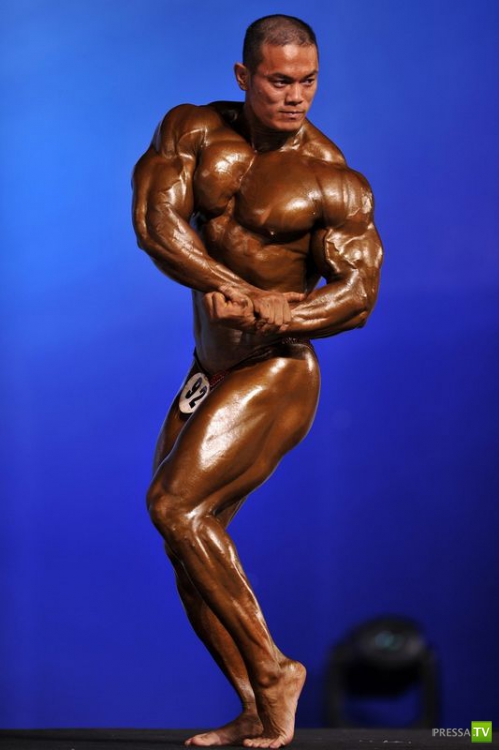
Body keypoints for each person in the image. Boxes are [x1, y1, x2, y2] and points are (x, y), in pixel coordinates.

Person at [132, 14, 383, 749]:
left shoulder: (332, 177)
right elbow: (155, 224)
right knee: (186, 545)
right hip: (209, 367)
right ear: (244, 77)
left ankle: (276, 671)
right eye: (278, 81)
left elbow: (358, 295)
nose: (294, 96)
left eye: (307, 81)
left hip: (277, 369)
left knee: (175, 507)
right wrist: (232, 287)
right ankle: (253, 707)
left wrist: (285, 311)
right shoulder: (192, 129)